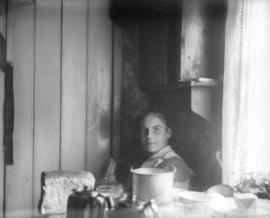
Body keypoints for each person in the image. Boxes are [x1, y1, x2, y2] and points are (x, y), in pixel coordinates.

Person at [136, 110, 194, 189]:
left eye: (156, 129)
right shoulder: (145, 160)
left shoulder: (175, 164)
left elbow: (176, 200)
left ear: (168, 133)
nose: (149, 136)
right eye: (144, 131)